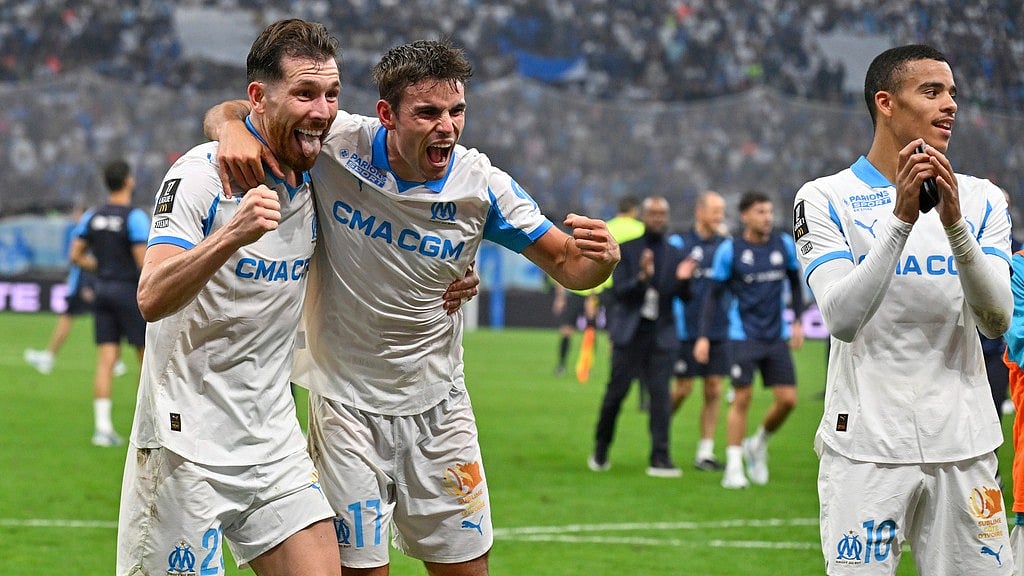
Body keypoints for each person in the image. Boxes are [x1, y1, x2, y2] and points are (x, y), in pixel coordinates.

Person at [205, 38, 619, 576]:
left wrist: (602, 262)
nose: (446, 126)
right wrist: (230, 129)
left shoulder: (481, 187)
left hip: (439, 406)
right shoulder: (336, 146)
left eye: (456, 111)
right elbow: (240, 110)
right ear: (387, 115)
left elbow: (569, 265)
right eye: (427, 112)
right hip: (346, 407)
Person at [116, 19, 344, 576]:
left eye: (332, 93)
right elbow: (151, 296)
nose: (322, 110)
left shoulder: (320, 166)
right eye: (306, 93)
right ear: (260, 99)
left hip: (272, 440)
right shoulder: (199, 175)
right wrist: (230, 236)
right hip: (183, 446)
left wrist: (449, 277)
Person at [794, 44, 1013, 574]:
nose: (951, 105)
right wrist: (901, 221)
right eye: (932, 91)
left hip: (964, 443)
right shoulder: (825, 197)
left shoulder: (983, 199)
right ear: (886, 103)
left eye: (953, 93)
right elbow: (840, 318)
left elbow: (996, 319)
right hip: (866, 447)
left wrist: (956, 225)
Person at [697, 190, 804, 489]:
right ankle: (733, 468)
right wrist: (704, 337)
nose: (767, 217)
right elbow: (712, 296)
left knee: (788, 400)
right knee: (742, 397)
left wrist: (796, 320)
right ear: (744, 216)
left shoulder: (783, 245)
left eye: (769, 211)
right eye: (760, 212)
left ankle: (757, 444)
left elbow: (795, 284)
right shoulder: (731, 250)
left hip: (775, 336)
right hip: (742, 335)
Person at [589, 196, 695, 478]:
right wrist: (643, 277)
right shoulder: (628, 250)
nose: (658, 218)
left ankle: (660, 458)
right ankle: (601, 450)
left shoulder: (675, 255)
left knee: (660, 399)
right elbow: (620, 293)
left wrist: (685, 280)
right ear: (643, 216)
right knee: (616, 395)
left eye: (663, 214)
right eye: (653, 214)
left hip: (662, 335)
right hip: (630, 334)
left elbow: (685, 298)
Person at [69, 160, 148, 447]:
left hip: (102, 289)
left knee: (106, 361)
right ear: (128, 181)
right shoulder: (135, 217)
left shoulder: (92, 215)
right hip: (128, 292)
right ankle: (146, 428)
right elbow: (143, 263)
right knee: (146, 358)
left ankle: (102, 429)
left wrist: (102, 268)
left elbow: (75, 255)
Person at [24, 205, 127, 377]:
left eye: (78, 213)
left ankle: (49, 357)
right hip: (84, 283)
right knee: (106, 318)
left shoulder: (86, 231)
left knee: (74, 318)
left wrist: (87, 285)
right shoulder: (88, 231)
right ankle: (115, 360)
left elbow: (85, 259)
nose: (75, 215)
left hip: (82, 285)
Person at [668, 190, 730, 471]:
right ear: (700, 212)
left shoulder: (727, 246)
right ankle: (660, 430)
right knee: (682, 388)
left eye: (722, 211)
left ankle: (705, 452)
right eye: (715, 210)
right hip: (685, 329)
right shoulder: (680, 243)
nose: (720, 216)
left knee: (714, 388)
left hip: (718, 327)